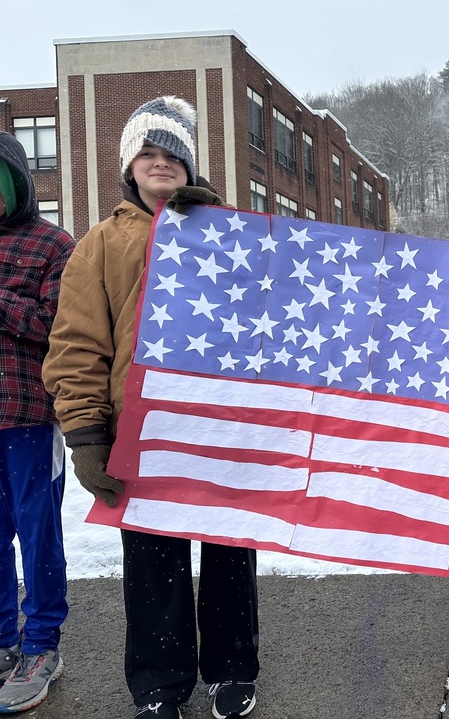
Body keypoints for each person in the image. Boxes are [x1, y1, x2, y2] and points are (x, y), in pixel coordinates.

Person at [42, 97, 260, 719]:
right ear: (128, 167)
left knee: (229, 553)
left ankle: (232, 670)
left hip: (219, 423)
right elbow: (77, 344)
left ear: (190, 167)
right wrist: (86, 435)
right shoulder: (99, 245)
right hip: (140, 430)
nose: (160, 164)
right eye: (149, 154)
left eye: (173, 156)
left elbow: (268, 311)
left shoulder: (230, 236)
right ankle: (160, 686)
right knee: (152, 565)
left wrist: (217, 222)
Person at [0, 132, 75, 713]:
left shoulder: (54, 245)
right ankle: (3, 640)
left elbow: (58, 327)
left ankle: (42, 643)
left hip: (28, 419)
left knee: (38, 533)